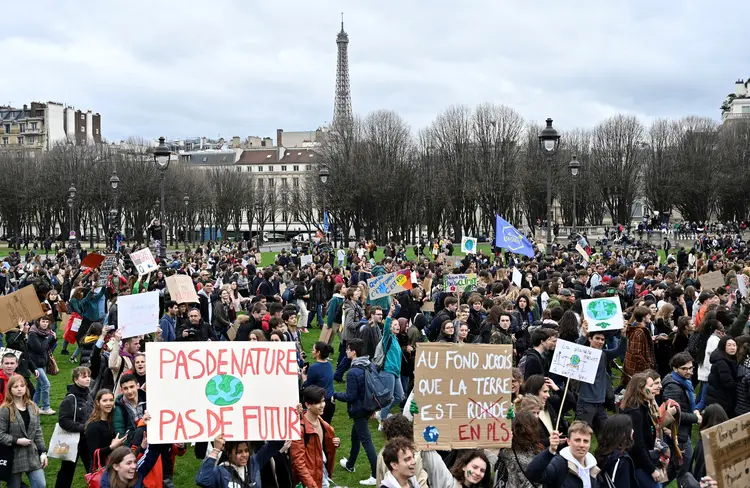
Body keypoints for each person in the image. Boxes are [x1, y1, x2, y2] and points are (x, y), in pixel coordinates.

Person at [334, 338, 379, 486]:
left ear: (353, 352)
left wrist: (335, 395)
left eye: (347, 349)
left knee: (366, 441)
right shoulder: (369, 365)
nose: (346, 351)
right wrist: (373, 408)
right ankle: (350, 464)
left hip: (359, 409)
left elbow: (350, 396)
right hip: (367, 407)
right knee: (355, 436)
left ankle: (375, 474)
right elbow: (373, 388)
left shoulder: (353, 372)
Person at [576, 325, 627, 435]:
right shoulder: (583, 354)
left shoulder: (603, 354)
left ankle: (605, 452)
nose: (600, 342)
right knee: (581, 434)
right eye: (597, 338)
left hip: (600, 403)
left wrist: (623, 336)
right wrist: (583, 336)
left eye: (602, 339)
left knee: (605, 435)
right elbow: (575, 351)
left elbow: (619, 351)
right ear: (590, 339)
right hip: (586, 402)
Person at [0, 374, 48, 488]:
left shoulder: (33, 406)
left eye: (22, 386)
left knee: (41, 484)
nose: (19, 389)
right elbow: (0, 434)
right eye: (15, 386)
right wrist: (17, 441)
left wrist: (43, 452)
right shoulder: (5, 409)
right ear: (10, 389)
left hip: (31, 454)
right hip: (13, 455)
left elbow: (38, 431)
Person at [289, 386, 341, 488]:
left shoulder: (323, 424)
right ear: (308, 405)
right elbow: (298, 464)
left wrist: (334, 443)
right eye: (318, 403)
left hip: (322, 475)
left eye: (323, 401)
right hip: (309, 481)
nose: (322, 405)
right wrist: (312, 485)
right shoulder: (299, 429)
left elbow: (321, 448)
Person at [661, 351, 701, 479]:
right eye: (684, 369)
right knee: (684, 471)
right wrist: (695, 418)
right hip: (678, 434)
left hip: (682, 433)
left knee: (676, 469)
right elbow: (674, 415)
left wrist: (694, 409)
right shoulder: (673, 387)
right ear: (675, 368)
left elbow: (688, 403)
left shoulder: (684, 382)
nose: (689, 371)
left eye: (691, 368)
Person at [195, 434, 287, 488]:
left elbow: (276, 444)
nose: (244, 455)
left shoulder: (254, 462)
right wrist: (216, 450)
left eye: (246, 451)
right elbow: (202, 480)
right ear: (229, 453)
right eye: (239, 452)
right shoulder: (220, 471)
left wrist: (294, 415)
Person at [54, 366, 95, 488]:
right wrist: (83, 427)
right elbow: (63, 421)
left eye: (88, 376)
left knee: (92, 468)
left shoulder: (88, 395)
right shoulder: (70, 399)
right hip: (73, 440)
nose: (88, 379)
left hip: (87, 440)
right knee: (67, 470)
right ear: (76, 379)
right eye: (84, 377)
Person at [526, 421, 599, 488]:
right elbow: (532, 475)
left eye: (586, 441)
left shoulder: (592, 466)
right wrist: (550, 451)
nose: (582, 445)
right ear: (568, 441)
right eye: (577, 440)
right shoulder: (559, 463)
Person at [594, 414, 639, 488]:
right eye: (630, 428)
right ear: (622, 433)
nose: (633, 431)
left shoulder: (603, 452)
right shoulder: (621, 460)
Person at [85, 389, 126, 468]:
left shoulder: (112, 421)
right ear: (98, 403)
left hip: (113, 465)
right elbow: (94, 454)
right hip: (100, 469)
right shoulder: (93, 425)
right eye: (105, 401)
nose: (109, 403)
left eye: (111, 400)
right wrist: (112, 446)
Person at [99, 443, 166, 488]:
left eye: (134, 462)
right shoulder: (106, 483)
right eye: (128, 463)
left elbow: (152, 454)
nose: (134, 466)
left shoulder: (138, 473)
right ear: (116, 466)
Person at [301, 342, 336, 424]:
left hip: (319, 403)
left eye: (313, 350)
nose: (312, 352)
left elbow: (308, 387)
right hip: (330, 403)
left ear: (318, 352)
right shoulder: (329, 364)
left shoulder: (314, 368)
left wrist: (303, 376)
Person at [112, 374, 146, 446]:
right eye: (125, 388)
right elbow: (121, 436)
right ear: (121, 390)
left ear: (137, 386)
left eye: (132, 387)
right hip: (133, 447)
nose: (129, 391)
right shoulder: (118, 410)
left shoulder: (148, 401)